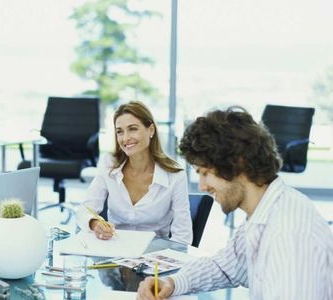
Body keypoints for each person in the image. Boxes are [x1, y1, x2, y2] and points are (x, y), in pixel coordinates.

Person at [137, 107, 333, 299]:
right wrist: (173, 283)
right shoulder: (265, 212)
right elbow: (225, 267)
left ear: (237, 163)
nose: (203, 187)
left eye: (205, 173)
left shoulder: (288, 236)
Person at [76, 101, 192, 244]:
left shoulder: (175, 175)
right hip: (114, 252)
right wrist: (94, 223)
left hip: (154, 258)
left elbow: (183, 236)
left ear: (151, 130)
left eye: (132, 129)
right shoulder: (109, 165)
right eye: (120, 131)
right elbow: (85, 210)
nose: (125, 138)